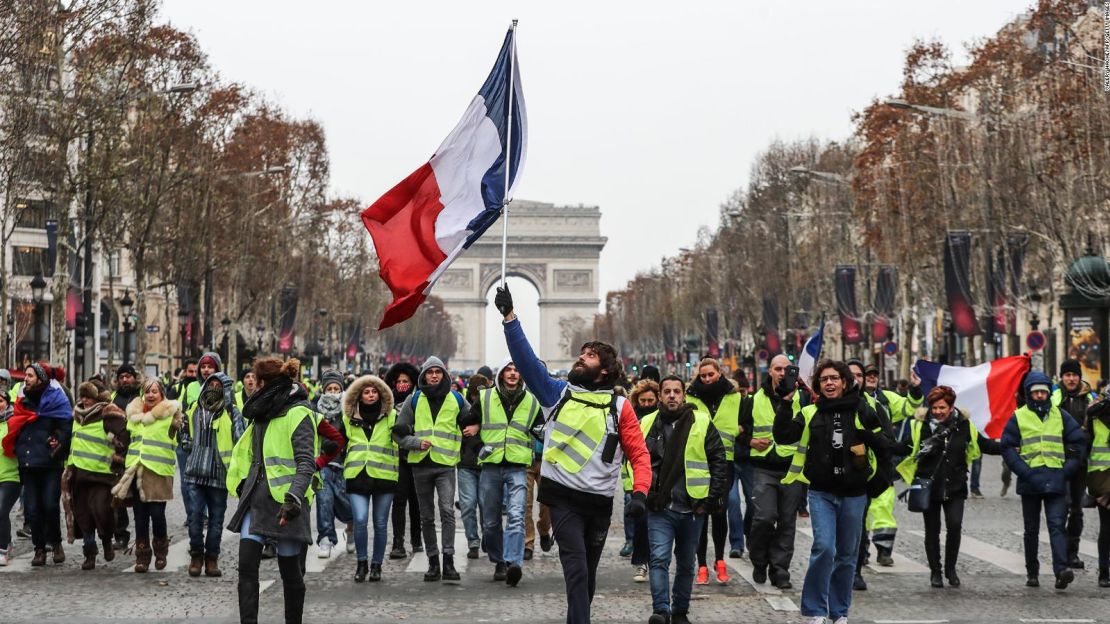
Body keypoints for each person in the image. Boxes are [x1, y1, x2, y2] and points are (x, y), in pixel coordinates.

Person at [496, 285, 651, 624]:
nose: (581, 357)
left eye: (590, 355)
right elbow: (527, 362)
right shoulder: (556, 394)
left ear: (605, 371)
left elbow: (639, 455)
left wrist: (640, 493)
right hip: (562, 500)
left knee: (587, 577)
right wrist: (510, 318)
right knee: (577, 571)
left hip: (597, 504)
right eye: (582, 353)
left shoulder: (620, 406)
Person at [774, 360, 893, 624]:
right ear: (817, 385)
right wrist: (785, 401)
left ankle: (839, 612)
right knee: (824, 548)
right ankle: (816, 610)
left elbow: (886, 447)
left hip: (854, 493)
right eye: (824, 379)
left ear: (844, 382)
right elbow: (782, 436)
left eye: (835, 378)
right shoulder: (809, 413)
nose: (829, 383)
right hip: (821, 493)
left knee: (847, 556)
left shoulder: (863, 409)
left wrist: (877, 483)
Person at [227, 357, 318, 624]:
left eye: (257, 383)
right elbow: (252, 454)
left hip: (287, 504)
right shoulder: (260, 413)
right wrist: (243, 482)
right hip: (255, 500)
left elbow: (306, 462)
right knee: (246, 566)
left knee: (290, 573)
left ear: (267, 384)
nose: (252, 388)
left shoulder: (299, 412)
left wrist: (294, 499)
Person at [643, 375, 729, 624]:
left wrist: (711, 499)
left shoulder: (701, 421)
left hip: (693, 507)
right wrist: (643, 494)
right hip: (659, 506)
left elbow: (718, 460)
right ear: (660, 396)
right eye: (667, 391)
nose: (672, 395)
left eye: (676, 391)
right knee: (659, 559)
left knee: (686, 564)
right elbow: (634, 461)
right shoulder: (647, 423)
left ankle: (680, 611)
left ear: (684, 395)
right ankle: (661, 610)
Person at [896, 385, 1002, 588]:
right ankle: (935, 572)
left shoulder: (964, 425)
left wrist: (1009, 447)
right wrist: (879, 443)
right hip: (929, 486)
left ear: (951, 407)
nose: (937, 412)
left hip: (955, 486)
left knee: (954, 526)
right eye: (934, 407)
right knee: (932, 530)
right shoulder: (921, 426)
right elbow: (903, 447)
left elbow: (985, 445)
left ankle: (951, 569)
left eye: (942, 407)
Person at [1001, 370, 1087, 590]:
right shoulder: (1018, 416)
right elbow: (1008, 448)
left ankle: (1061, 570)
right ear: (1029, 394)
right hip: (1030, 481)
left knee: (1057, 526)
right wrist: (1025, 472)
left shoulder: (1060, 416)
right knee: (1031, 530)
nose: (1040, 395)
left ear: (1049, 393)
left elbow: (1078, 444)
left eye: (1043, 392)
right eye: (1036, 392)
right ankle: (1032, 572)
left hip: (1056, 479)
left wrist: (1066, 470)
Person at [392, 356, 470, 582]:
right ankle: (433, 562)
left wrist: (473, 425)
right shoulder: (413, 400)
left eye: (438, 371)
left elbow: (473, 419)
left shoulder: (456, 398)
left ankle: (449, 560)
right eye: (430, 372)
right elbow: (398, 433)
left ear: (444, 374)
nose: (434, 375)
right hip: (420, 465)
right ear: (423, 375)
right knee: (426, 517)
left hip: (445, 465)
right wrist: (416, 443)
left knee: (447, 511)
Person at [467, 359, 540, 586]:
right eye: (508, 369)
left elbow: (541, 429)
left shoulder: (532, 401)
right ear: (500, 375)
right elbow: (466, 425)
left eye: (517, 369)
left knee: (517, 515)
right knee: (490, 522)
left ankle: (512, 563)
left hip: (518, 466)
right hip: (490, 465)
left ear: (522, 375)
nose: (512, 373)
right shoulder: (486, 397)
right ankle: (498, 559)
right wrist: (479, 446)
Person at [738, 354, 804, 589]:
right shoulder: (753, 400)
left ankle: (780, 569)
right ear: (770, 372)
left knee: (787, 522)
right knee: (764, 517)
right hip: (763, 469)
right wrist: (750, 441)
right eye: (778, 369)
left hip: (792, 469)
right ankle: (759, 560)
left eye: (787, 369)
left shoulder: (801, 398)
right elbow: (738, 430)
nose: (782, 373)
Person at [2, 363, 73, 566]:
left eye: (30, 375)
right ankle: (39, 548)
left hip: (50, 462)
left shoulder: (56, 400)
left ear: (41, 379)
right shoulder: (22, 401)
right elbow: (16, 424)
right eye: (26, 375)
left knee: (50, 505)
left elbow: (66, 425)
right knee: (32, 510)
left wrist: (57, 440)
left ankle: (56, 543)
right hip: (28, 463)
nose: (26, 378)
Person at [113, 378, 182, 572]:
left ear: (161, 394)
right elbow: (126, 440)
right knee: (140, 516)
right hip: (136, 470)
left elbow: (178, 434)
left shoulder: (170, 415)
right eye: (147, 391)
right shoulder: (134, 416)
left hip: (159, 471)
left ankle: (161, 551)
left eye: (154, 391)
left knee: (157, 514)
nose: (151, 395)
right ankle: (142, 557)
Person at [180, 372, 244, 577]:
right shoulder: (195, 410)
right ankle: (196, 556)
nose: (213, 387)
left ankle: (212, 559)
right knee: (195, 517)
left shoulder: (232, 412)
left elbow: (240, 441)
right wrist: (188, 444)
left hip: (219, 474)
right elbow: (185, 433)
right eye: (211, 383)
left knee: (216, 520)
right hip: (195, 472)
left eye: (218, 384)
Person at [685, 358, 740, 584]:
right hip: (698, 461)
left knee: (719, 512)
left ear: (720, 372)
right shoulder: (690, 397)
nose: (707, 379)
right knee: (700, 513)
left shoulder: (735, 396)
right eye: (703, 375)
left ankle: (719, 560)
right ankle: (702, 566)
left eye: (711, 374)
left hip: (725, 462)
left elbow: (745, 423)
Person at [65, 380, 129, 570]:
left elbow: (125, 435)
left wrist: (117, 454)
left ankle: (107, 540)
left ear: (97, 398)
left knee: (103, 513)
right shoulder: (76, 416)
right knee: (83, 516)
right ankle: (89, 553)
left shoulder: (107, 414)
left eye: (88, 396)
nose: (84, 400)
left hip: (102, 475)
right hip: (79, 474)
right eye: (82, 396)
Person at [342, 374, 398, 582]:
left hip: (384, 475)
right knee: (360, 519)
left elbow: (402, 438)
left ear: (381, 394)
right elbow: (338, 440)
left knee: (381, 524)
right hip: (357, 475)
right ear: (358, 396)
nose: (371, 395)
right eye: (366, 392)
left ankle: (376, 565)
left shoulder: (392, 416)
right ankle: (361, 563)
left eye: (374, 391)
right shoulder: (348, 418)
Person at [1053, 358, 1098, 570]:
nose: (1071, 379)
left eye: (1074, 375)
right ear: (1061, 377)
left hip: (1081, 463)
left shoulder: (1090, 398)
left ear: (1079, 377)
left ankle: (1073, 552)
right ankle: (1060, 553)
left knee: (1077, 510)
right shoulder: (1054, 397)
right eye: (1067, 375)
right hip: (1058, 462)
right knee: (1060, 508)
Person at [622, 379, 659, 582]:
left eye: (650, 400)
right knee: (640, 522)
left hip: (658, 478)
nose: (646, 404)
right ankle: (641, 562)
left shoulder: (661, 419)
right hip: (636, 479)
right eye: (643, 400)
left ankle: (656, 561)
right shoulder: (631, 418)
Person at [385, 362, 423, 559]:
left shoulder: (419, 402)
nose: (402, 384)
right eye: (398, 381)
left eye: (405, 381)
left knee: (416, 502)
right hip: (396, 458)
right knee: (399, 501)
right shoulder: (386, 404)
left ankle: (417, 540)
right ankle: (397, 543)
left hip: (416, 457)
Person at [314, 370, 353, 558]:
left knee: (348, 504)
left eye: (336, 388)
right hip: (323, 464)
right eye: (329, 388)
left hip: (345, 464)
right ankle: (326, 539)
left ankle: (351, 530)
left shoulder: (349, 409)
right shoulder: (315, 410)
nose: (332, 392)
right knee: (324, 502)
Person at [459, 372, 492, 561]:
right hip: (466, 463)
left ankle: (487, 537)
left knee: (486, 506)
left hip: (486, 464)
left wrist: (479, 426)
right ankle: (473, 541)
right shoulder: (462, 410)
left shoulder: (492, 408)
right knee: (468, 505)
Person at [1084, 391, 1110, 586]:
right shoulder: (1095, 415)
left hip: (1100, 476)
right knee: (1107, 527)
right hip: (1102, 476)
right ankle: (1104, 572)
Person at [0, 393, 17, 566]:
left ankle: (3, 550)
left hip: (11, 476)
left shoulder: (13, 423)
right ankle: (8, 540)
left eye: (0, 401)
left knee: (1, 511)